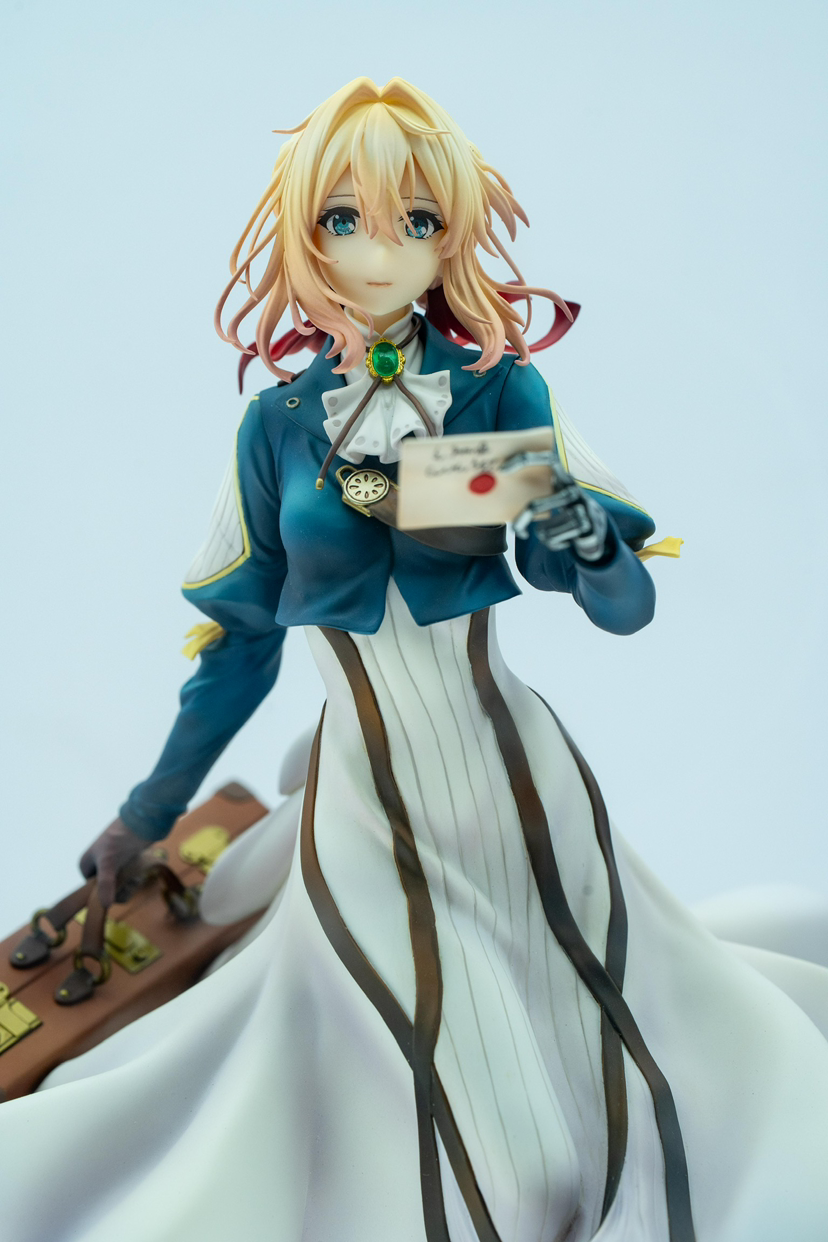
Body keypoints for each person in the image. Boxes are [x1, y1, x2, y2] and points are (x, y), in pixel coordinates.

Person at [2, 77, 828, 1242]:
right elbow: (240, 649)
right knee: (514, 1165)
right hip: (367, 816)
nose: (379, 251)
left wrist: (579, 533)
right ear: (307, 234)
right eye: (344, 219)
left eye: (416, 220)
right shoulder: (277, 428)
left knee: (616, 1104)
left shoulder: (500, 390)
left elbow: (623, 603)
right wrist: (146, 813)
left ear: (450, 236)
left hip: (522, 793)